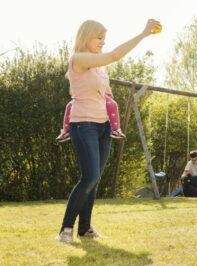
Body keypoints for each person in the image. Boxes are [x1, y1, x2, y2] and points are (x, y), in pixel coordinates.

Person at [56, 19, 161, 243]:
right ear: (86, 37)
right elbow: (113, 55)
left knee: (94, 179)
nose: (103, 42)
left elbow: (106, 92)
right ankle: (66, 229)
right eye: (99, 38)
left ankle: (85, 228)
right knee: (90, 176)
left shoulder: (99, 67)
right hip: (83, 125)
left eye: (105, 38)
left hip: (103, 127)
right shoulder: (78, 59)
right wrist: (143, 33)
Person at [56, 80, 125, 142]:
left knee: (112, 104)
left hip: (99, 94)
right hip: (84, 95)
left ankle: (115, 129)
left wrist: (109, 94)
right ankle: (66, 131)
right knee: (69, 105)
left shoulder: (100, 71)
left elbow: (106, 85)